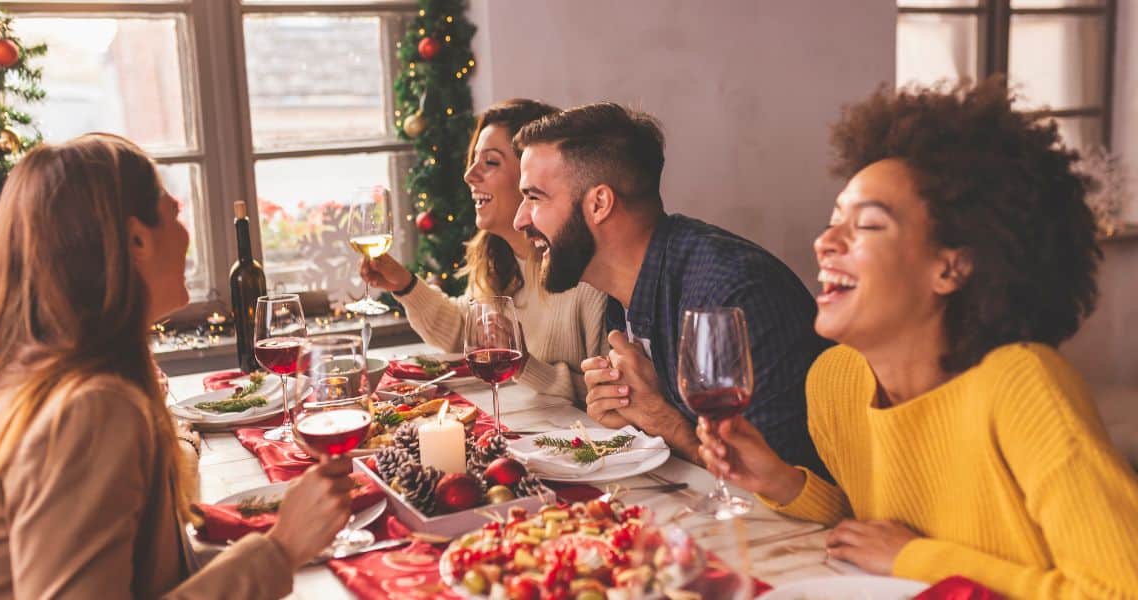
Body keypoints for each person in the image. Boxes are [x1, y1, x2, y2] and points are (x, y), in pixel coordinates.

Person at [697, 78, 1138, 598]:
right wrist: (784, 484)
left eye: (867, 225)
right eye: (834, 219)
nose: (824, 242)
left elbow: (1117, 589)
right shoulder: (835, 380)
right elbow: (878, 529)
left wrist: (919, 559)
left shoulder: (1023, 385)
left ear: (951, 268)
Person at [0, 134, 355, 598]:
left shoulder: (28, 379)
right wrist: (280, 548)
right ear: (136, 240)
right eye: (175, 213)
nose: (185, 234)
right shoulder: (88, 410)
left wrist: (276, 546)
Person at [512, 102, 831, 471]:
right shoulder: (619, 291)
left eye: (534, 197)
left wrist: (660, 419)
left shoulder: (732, 296)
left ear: (599, 203)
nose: (520, 219)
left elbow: (779, 484)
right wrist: (635, 417)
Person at [360, 99, 608, 403]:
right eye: (474, 160)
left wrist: (525, 364)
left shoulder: (587, 279)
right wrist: (405, 285)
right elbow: (465, 330)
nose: (469, 175)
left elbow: (609, 398)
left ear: (532, 174)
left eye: (490, 162)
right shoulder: (498, 258)